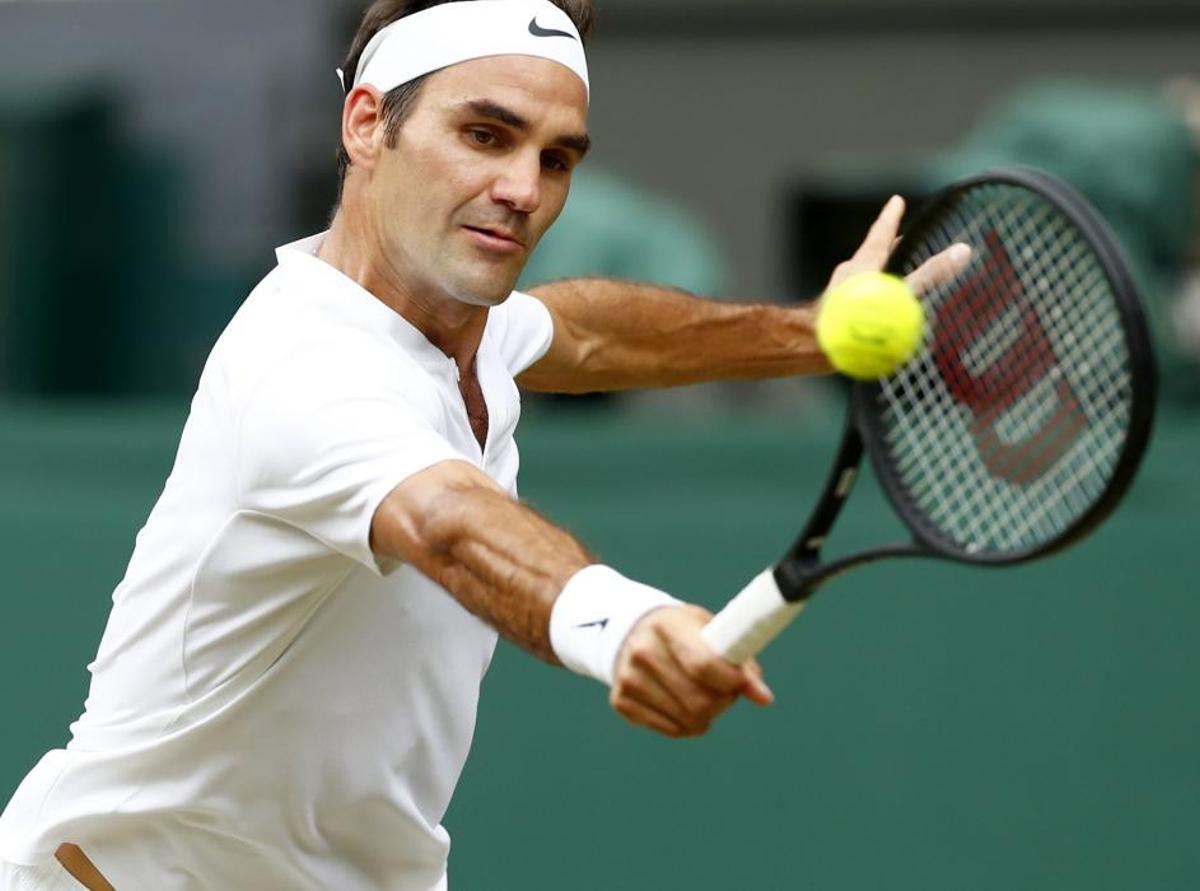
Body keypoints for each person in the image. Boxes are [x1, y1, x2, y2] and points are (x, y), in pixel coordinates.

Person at [0, 1, 958, 888]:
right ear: (367, 124)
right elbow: (448, 521)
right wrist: (623, 624)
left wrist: (804, 332)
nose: (523, 189)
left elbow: (584, 334)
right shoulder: (303, 367)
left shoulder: (462, 328)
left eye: (557, 158)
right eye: (485, 135)